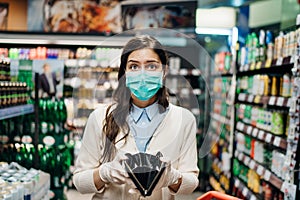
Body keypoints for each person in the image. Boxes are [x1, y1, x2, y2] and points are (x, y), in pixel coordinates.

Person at [73, 35, 199, 199]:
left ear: (164, 71)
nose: (142, 74)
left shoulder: (184, 120)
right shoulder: (99, 118)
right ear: (125, 72)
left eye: (151, 66)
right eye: (134, 66)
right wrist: (104, 173)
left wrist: (172, 177)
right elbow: (80, 182)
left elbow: (191, 183)